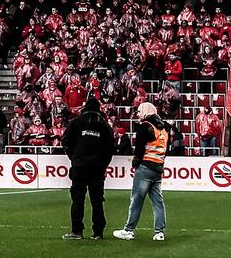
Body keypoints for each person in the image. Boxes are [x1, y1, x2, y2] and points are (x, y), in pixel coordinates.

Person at [114, 102, 169, 242]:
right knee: (158, 201)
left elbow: (139, 149)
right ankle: (159, 232)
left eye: (139, 111)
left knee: (137, 200)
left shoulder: (145, 126)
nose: (138, 114)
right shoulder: (163, 129)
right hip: (158, 168)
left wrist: (135, 163)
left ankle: (129, 230)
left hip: (145, 167)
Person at [62, 94, 114, 240]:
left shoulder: (76, 122)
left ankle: (76, 231)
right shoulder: (104, 125)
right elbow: (110, 148)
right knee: (97, 200)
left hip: (79, 166)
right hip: (97, 167)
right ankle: (98, 232)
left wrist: (74, 158)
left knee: (78, 199)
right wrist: (103, 164)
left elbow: (65, 142)